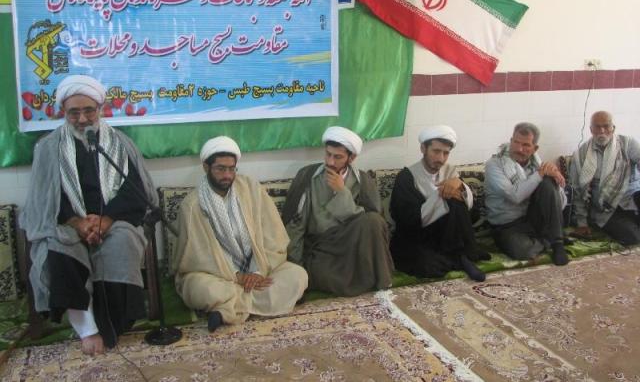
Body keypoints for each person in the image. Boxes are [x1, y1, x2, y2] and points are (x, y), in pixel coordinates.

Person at [20, 75, 157, 355]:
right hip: (67, 223)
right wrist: (77, 222)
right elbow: (46, 198)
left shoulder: (120, 143)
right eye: (74, 112)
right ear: (63, 111)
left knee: (124, 242)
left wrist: (106, 221)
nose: (82, 119)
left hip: (113, 221)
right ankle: (88, 329)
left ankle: (114, 323)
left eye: (88, 111)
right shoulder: (48, 147)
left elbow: (135, 192)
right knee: (60, 247)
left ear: (100, 109)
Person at [173, 136, 308, 332]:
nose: (227, 175)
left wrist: (256, 273)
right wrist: (236, 276)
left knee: (297, 275)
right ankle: (254, 303)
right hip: (220, 277)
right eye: (220, 169)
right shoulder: (192, 206)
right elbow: (195, 259)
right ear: (206, 167)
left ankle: (226, 311)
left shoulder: (251, 189)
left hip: (259, 268)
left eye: (231, 169)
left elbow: (273, 237)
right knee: (200, 288)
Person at [282, 126, 394, 296]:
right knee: (325, 275)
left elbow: (375, 228)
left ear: (352, 157)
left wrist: (342, 192)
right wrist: (296, 266)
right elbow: (295, 225)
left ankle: (382, 285)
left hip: (352, 246)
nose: (330, 162)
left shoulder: (363, 180)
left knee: (373, 220)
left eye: (338, 157)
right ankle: (360, 277)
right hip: (321, 249)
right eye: (328, 154)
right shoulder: (307, 176)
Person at [390, 126, 490, 282]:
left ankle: (459, 256)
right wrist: (440, 195)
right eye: (436, 151)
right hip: (417, 237)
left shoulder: (451, 173)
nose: (441, 159)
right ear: (423, 149)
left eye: (446, 153)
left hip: (447, 235)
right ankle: (460, 257)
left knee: (456, 197)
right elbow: (406, 220)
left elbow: (472, 214)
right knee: (428, 266)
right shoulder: (407, 176)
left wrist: (460, 187)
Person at [485, 122, 569, 265]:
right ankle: (548, 239)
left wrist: (554, 177)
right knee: (522, 250)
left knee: (547, 182)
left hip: (532, 218)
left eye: (525, 145)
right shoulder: (494, 165)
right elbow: (515, 196)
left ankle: (557, 243)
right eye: (516, 142)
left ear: (535, 148)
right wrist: (539, 174)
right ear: (511, 140)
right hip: (507, 224)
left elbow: (562, 203)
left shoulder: (538, 163)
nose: (519, 149)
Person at [569, 111, 640, 245]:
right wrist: (582, 223)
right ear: (591, 129)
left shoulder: (627, 144)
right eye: (597, 126)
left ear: (613, 128)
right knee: (634, 238)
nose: (602, 131)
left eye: (606, 126)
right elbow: (578, 192)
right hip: (606, 209)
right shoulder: (580, 155)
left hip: (632, 199)